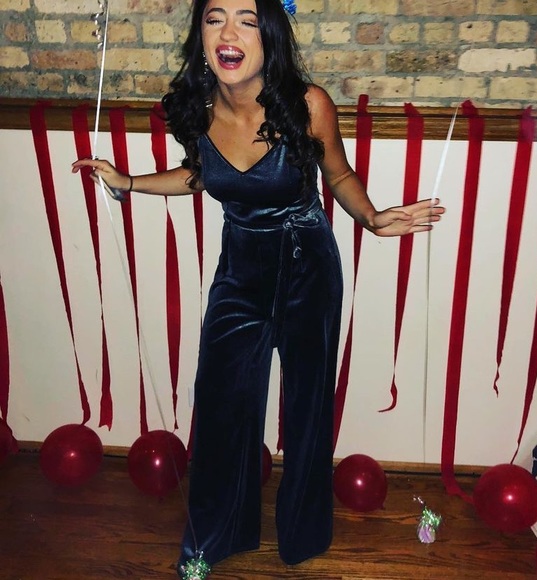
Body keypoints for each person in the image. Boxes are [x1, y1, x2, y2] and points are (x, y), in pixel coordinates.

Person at [73, 0, 445, 576]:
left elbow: (337, 172)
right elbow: (201, 173)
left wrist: (372, 218)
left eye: (246, 20)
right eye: (214, 18)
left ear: (269, 34)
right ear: (201, 35)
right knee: (220, 403)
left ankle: (302, 535)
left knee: (307, 405)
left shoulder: (307, 103)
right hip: (240, 271)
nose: (229, 32)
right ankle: (218, 535)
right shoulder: (195, 105)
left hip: (307, 269)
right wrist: (128, 181)